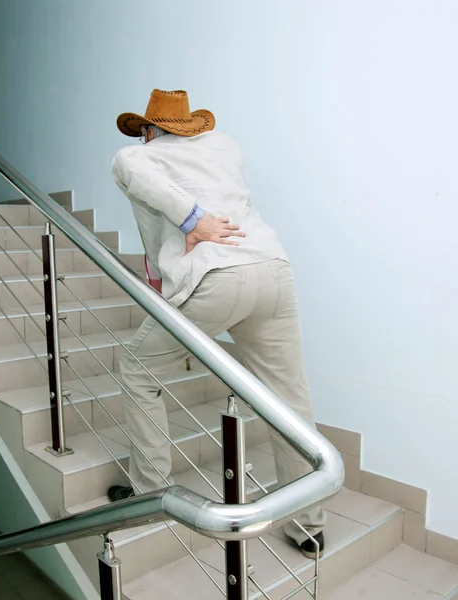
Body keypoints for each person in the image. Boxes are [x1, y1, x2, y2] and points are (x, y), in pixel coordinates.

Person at [107, 89, 326, 558]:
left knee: (136, 367)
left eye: (144, 132)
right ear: (190, 125)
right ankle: (308, 523)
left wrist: (194, 220)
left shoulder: (136, 155)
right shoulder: (225, 146)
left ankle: (150, 493)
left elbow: (131, 167)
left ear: (149, 130)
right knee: (287, 398)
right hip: (273, 271)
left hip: (215, 278)